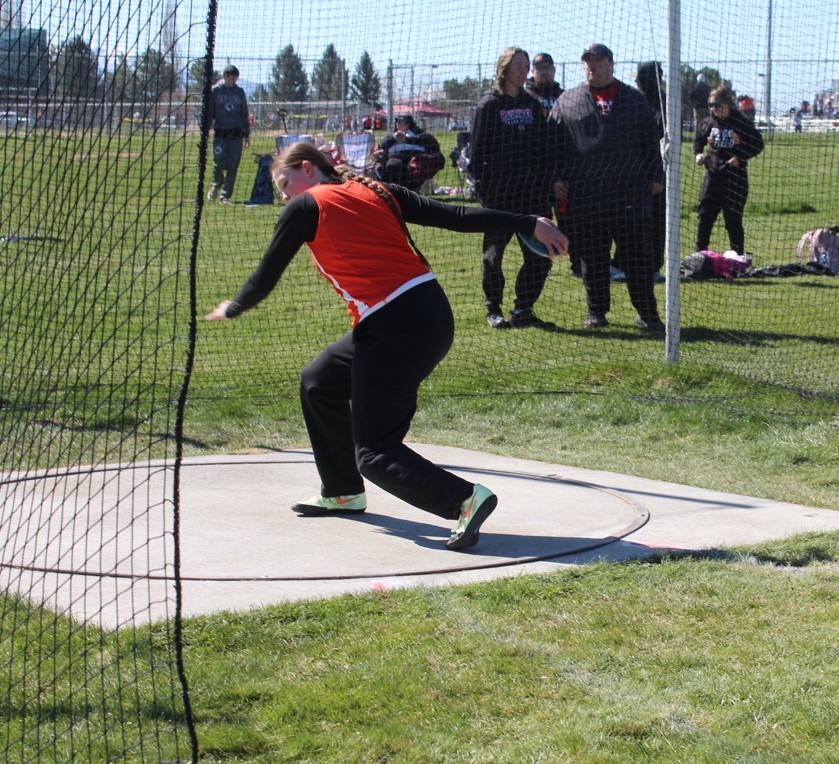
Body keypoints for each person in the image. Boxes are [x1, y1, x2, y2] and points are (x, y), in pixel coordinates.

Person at [205, 142, 568, 551]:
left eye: (286, 184)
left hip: (395, 325)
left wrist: (234, 307)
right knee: (319, 381)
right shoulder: (376, 190)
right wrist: (526, 222)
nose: (285, 196)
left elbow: (267, 273)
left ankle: (463, 500)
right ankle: (342, 491)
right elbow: (457, 215)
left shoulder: (306, 206)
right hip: (427, 314)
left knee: (375, 452)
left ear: (308, 169)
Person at [549, 44, 664, 331]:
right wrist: (555, 178)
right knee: (592, 259)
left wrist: (656, 176)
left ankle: (647, 313)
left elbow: (651, 142)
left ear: (611, 64)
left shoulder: (634, 100)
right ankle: (596, 312)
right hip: (587, 196)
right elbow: (552, 145)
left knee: (637, 257)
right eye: (588, 61)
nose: (592, 66)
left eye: (598, 61)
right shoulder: (568, 100)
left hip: (629, 193)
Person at [470, 47, 557, 329]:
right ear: (504, 68)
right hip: (500, 195)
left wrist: (545, 183)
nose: (522, 70)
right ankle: (492, 309)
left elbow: (544, 147)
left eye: (525, 65)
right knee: (495, 254)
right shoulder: (490, 104)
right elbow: (478, 151)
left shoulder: (532, 104)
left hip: (531, 194)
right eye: (517, 65)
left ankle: (523, 309)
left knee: (541, 254)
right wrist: (484, 189)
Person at [694, 86, 764, 256]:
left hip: (734, 178)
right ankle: (699, 256)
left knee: (732, 219)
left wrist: (740, 157)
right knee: (705, 216)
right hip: (712, 176)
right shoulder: (708, 122)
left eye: (717, 105)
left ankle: (737, 257)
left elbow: (758, 144)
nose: (714, 110)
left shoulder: (740, 122)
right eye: (711, 106)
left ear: (727, 104)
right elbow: (698, 141)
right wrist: (699, 155)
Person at [632, 61, 666, 278]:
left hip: (652, 173)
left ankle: (651, 266)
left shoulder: (658, 104)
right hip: (639, 172)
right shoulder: (638, 101)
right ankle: (640, 264)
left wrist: (655, 175)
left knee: (652, 220)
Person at [208, 65, 250, 203]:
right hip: (220, 135)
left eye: (235, 79)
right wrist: (206, 129)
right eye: (232, 78)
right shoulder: (215, 91)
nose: (234, 81)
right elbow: (209, 112)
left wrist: (246, 134)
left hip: (236, 135)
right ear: (225, 76)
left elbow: (244, 113)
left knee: (233, 166)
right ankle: (216, 184)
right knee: (218, 164)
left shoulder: (239, 92)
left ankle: (225, 195)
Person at [374, 114, 445, 192]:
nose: (397, 124)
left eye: (400, 122)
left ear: (408, 124)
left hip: (415, 156)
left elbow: (429, 142)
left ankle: (412, 190)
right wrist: (394, 137)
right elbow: (383, 145)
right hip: (396, 156)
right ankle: (397, 191)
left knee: (418, 169)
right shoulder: (392, 135)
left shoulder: (418, 133)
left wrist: (406, 139)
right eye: (397, 122)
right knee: (393, 166)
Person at [524, 52, 563, 118]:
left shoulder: (563, 95)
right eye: (540, 68)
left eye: (548, 67)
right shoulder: (525, 95)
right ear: (533, 71)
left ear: (554, 70)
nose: (545, 71)